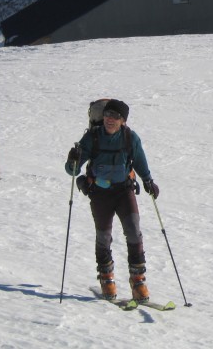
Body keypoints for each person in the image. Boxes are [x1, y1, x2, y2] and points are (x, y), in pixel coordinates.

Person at [65, 99, 160, 302]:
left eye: (115, 117)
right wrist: (72, 160)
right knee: (104, 235)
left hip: (124, 191)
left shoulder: (130, 138)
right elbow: (72, 171)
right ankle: (106, 278)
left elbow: (140, 161)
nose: (110, 119)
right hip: (100, 193)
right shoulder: (92, 138)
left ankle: (138, 281)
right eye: (108, 115)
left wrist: (148, 181)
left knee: (134, 232)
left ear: (123, 121)